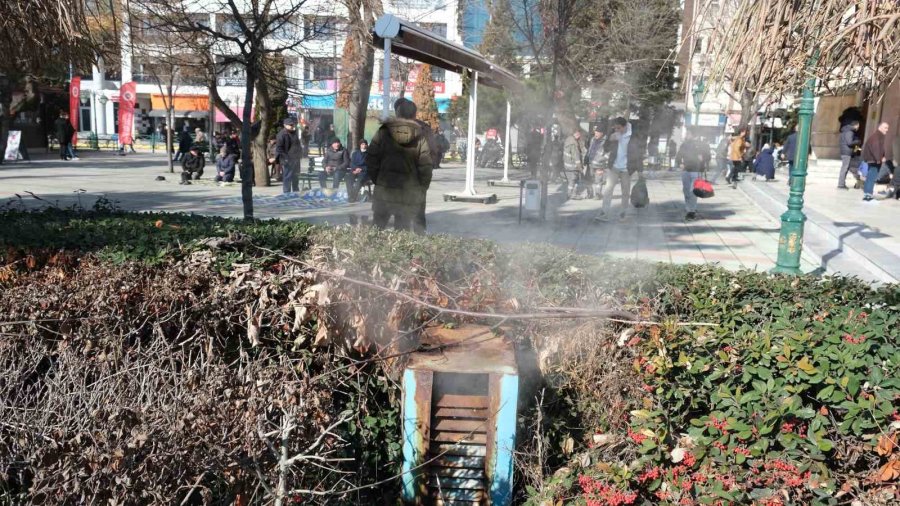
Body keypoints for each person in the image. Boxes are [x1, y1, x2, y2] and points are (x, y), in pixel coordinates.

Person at [367, 98, 433, 233]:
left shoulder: (383, 132)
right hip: (408, 192)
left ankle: (369, 253)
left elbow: (371, 159)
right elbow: (425, 166)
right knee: (402, 231)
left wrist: (378, 180)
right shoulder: (420, 136)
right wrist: (421, 187)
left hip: (384, 190)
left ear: (397, 113)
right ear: (414, 115)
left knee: (376, 228)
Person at [595, 117, 632, 222]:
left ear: (625, 127)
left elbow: (637, 151)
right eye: (615, 128)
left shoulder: (632, 134)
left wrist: (639, 170)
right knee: (607, 190)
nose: (617, 130)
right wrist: (610, 139)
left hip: (626, 169)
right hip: (614, 167)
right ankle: (604, 213)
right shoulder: (614, 132)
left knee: (625, 192)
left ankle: (623, 214)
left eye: (619, 128)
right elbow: (606, 147)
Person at [676, 129, 710, 221]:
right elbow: (679, 155)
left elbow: (708, 156)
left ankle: (692, 211)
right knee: (686, 191)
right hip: (686, 170)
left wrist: (703, 158)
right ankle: (688, 209)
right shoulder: (685, 144)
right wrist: (679, 163)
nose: (686, 135)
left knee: (693, 191)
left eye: (688, 133)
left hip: (696, 171)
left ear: (693, 135)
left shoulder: (702, 145)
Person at [273, 117, 304, 193]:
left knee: (296, 177)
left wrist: (300, 153)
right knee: (288, 177)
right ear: (285, 125)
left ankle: (295, 192)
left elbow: (297, 144)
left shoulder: (294, 133)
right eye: (290, 125)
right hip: (288, 160)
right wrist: (286, 159)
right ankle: (286, 194)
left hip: (296, 159)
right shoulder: (281, 135)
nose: (292, 126)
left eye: (293, 124)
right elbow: (279, 149)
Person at [861, 121, 889, 201]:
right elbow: (876, 149)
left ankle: (867, 194)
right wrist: (880, 159)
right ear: (880, 127)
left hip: (872, 160)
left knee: (870, 177)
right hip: (874, 161)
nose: (887, 130)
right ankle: (868, 196)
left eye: (887, 128)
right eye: (885, 128)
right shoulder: (877, 136)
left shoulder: (878, 136)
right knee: (871, 178)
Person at [563, 129, 588, 198]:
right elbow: (576, 157)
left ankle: (572, 193)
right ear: (576, 134)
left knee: (572, 180)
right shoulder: (573, 143)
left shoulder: (568, 140)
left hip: (568, 165)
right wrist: (580, 167)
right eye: (579, 134)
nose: (580, 136)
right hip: (573, 166)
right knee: (573, 180)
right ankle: (571, 194)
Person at [838, 120, 862, 189]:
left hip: (845, 151)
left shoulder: (845, 130)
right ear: (856, 125)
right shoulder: (850, 132)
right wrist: (857, 141)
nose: (858, 128)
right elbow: (849, 142)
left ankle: (842, 183)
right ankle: (841, 184)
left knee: (846, 167)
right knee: (845, 168)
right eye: (858, 126)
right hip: (847, 152)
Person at [587, 127, 606, 197]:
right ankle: (590, 194)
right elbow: (590, 149)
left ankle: (597, 194)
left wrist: (601, 159)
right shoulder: (592, 139)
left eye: (597, 132)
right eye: (595, 132)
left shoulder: (605, 142)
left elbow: (608, 153)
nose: (595, 134)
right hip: (591, 164)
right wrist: (587, 157)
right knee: (589, 179)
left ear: (602, 133)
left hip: (599, 165)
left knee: (598, 180)